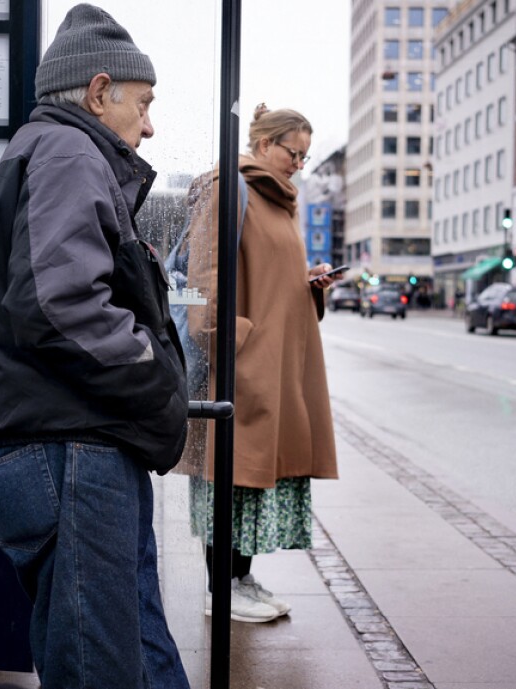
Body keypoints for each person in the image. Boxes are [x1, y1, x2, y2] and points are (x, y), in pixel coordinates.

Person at [0, 4, 190, 688]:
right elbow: (61, 306)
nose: (149, 124)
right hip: (73, 456)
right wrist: (157, 380)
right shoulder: (69, 150)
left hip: (71, 453)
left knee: (132, 659)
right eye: (143, 103)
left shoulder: (54, 150)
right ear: (99, 92)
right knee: (106, 671)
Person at [183, 104, 340, 623]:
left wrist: (308, 285)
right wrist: (230, 342)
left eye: (305, 155)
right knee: (231, 475)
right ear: (264, 143)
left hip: (278, 363)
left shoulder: (281, 202)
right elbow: (204, 274)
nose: (298, 163)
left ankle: (239, 579)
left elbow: (272, 280)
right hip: (242, 362)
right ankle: (219, 590)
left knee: (252, 480)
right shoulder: (229, 188)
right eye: (292, 151)